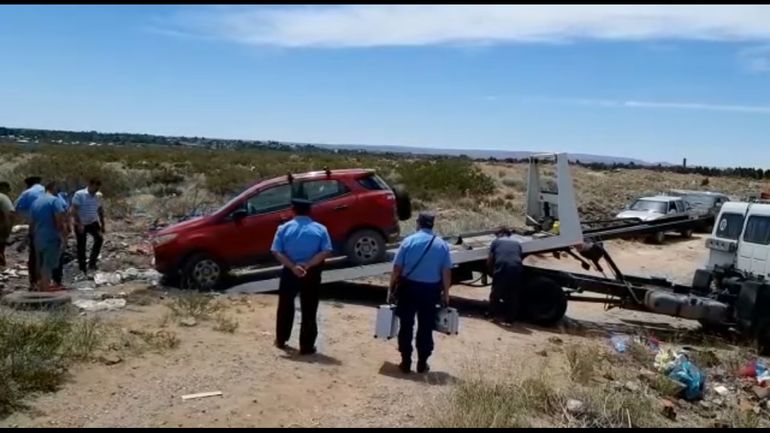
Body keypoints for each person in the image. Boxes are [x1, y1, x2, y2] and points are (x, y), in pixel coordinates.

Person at [388, 212, 452, 374]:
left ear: (418, 223)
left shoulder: (408, 241)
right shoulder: (442, 245)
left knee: (406, 325)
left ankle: (405, 361)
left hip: (408, 289)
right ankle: (422, 363)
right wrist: (446, 294)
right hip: (430, 291)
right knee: (426, 327)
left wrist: (391, 289)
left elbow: (397, 269)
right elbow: (446, 272)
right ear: (432, 224)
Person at [271, 198, 333, 355]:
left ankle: (281, 339)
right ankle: (306, 346)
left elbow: (276, 251)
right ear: (310, 210)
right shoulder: (320, 229)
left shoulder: (283, 228)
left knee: (285, 305)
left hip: (289, 271)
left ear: (293, 210)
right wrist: (308, 264)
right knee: (309, 307)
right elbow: (326, 250)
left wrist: (293, 266)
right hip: (311, 272)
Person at [29, 181, 68, 292]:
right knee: (48, 266)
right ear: (53, 188)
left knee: (39, 264)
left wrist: (31, 237)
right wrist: (63, 236)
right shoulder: (55, 201)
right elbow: (59, 221)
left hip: (38, 237)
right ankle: (45, 292)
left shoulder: (36, 202)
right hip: (51, 237)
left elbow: (32, 223)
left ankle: (39, 287)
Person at [487, 226, 525, 323]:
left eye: (496, 234)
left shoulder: (496, 242)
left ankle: (492, 315)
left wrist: (491, 272)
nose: (496, 236)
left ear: (501, 233)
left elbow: (490, 260)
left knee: (495, 293)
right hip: (516, 267)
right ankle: (510, 319)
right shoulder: (517, 243)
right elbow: (519, 256)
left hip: (502, 266)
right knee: (512, 294)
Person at [14, 176, 45, 288]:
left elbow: (16, 208)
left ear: (28, 184)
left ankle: (34, 282)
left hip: (37, 226)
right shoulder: (48, 190)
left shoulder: (27, 193)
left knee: (34, 255)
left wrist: (29, 215)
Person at [71, 178, 105, 276]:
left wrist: (103, 223)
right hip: (81, 222)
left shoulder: (98, 196)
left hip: (93, 222)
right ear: (90, 185)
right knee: (81, 245)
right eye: (95, 187)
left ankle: (92, 264)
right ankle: (82, 268)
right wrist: (79, 224)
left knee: (99, 239)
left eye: (98, 188)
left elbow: (100, 210)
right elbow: (74, 211)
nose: (96, 190)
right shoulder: (79, 194)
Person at [0, 181, 14, 268]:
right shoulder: (3, 197)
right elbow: (10, 214)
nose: (9, 191)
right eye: (7, 189)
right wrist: (7, 232)